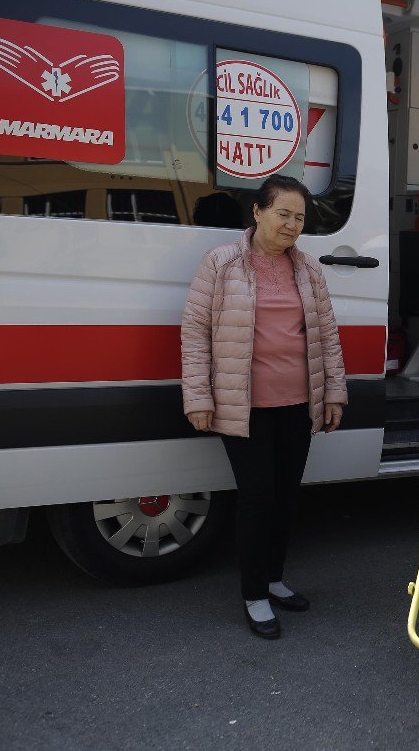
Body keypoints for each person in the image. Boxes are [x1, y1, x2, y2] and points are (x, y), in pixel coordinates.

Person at [181, 174, 347, 639]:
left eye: (300, 217)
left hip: (298, 402)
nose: (292, 225)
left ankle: (274, 578)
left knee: (286, 496)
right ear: (257, 213)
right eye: (283, 214)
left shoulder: (308, 269)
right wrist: (198, 396)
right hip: (244, 404)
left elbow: (327, 336)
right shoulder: (221, 263)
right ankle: (254, 594)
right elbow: (194, 334)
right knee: (257, 499)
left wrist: (334, 392)